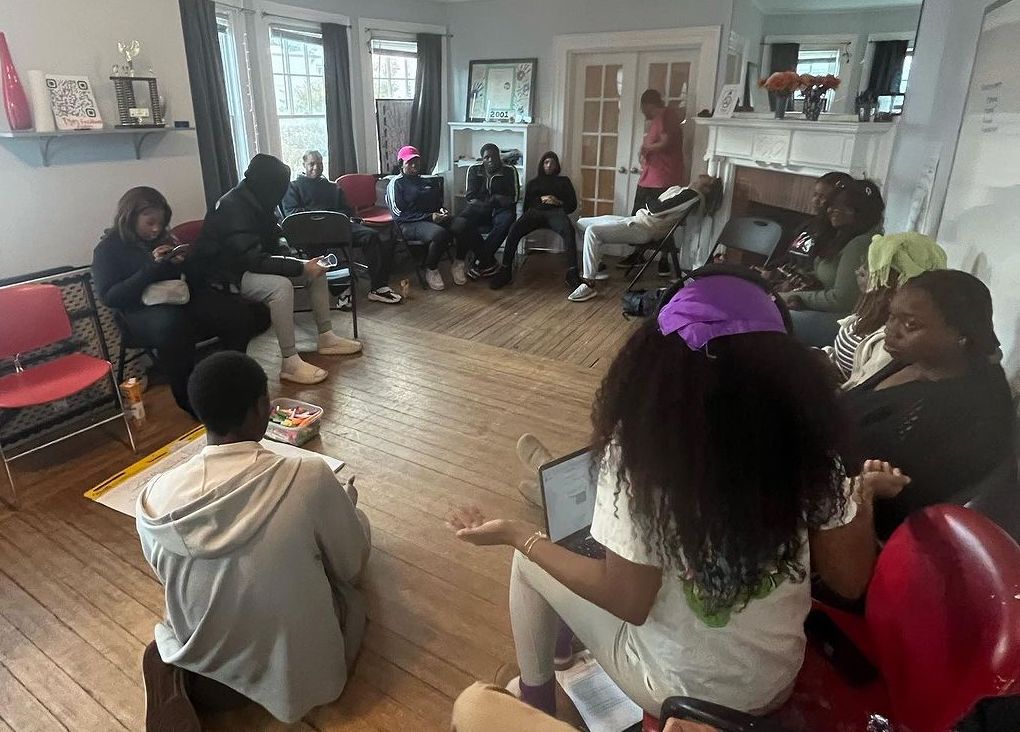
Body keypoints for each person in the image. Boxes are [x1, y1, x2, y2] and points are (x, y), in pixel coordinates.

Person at [448, 269, 903, 719]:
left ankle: (537, 703)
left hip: (680, 691)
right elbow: (850, 580)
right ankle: (564, 651)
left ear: (655, 362)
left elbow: (628, 601)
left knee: (530, 558)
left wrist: (518, 535)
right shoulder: (809, 439)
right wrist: (858, 498)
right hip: (773, 679)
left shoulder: (642, 453)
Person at [137, 351, 371, 728]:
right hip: (297, 678)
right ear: (262, 407)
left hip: (211, 672)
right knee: (354, 527)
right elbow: (350, 565)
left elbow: (166, 577)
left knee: (184, 612)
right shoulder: (307, 475)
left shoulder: (153, 496)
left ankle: (180, 670)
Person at [841, 269, 1015, 540]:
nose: (891, 330)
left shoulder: (965, 411)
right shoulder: (918, 359)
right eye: (891, 316)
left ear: (961, 335)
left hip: (861, 527)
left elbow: (902, 504)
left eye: (910, 325)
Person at [91, 187, 269, 417]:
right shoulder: (108, 249)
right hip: (137, 311)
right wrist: (153, 268)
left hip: (177, 299)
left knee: (236, 313)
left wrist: (184, 262)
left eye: (161, 223)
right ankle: (190, 400)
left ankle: (231, 378)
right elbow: (111, 296)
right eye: (149, 223)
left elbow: (192, 281)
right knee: (173, 325)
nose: (156, 229)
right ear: (130, 217)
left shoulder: (166, 237)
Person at [190, 153, 362, 386]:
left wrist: (294, 257)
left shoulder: (257, 199)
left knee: (317, 267)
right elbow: (253, 260)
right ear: (268, 184)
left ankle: (326, 338)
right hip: (227, 276)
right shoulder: (232, 207)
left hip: (250, 265)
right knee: (280, 287)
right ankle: (290, 361)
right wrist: (295, 266)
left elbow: (275, 237)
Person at [568, 175, 722, 302]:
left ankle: (589, 282)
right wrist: (651, 202)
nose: (703, 175)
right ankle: (597, 265)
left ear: (706, 188)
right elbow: (655, 205)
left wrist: (650, 201)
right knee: (581, 223)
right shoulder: (682, 190)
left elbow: (655, 209)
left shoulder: (692, 195)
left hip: (644, 229)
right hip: (636, 219)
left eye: (707, 178)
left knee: (593, 231)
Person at [825, 232, 947, 389]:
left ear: (890, 282)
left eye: (870, 269)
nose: (858, 271)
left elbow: (862, 392)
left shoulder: (891, 341)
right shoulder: (870, 309)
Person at [281, 150, 401, 304]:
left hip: (337, 226)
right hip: (311, 232)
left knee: (371, 236)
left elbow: (346, 210)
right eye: (311, 164)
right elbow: (292, 214)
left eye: (319, 163)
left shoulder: (332, 187)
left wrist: (334, 218)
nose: (316, 168)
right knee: (328, 248)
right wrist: (323, 216)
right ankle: (342, 289)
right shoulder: (293, 187)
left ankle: (378, 286)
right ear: (304, 164)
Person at [779, 179, 885, 347]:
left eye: (846, 207)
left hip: (844, 322)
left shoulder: (861, 244)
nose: (834, 211)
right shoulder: (840, 236)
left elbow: (842, 299)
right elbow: (829, 275)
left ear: (863, 212)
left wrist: (796, 296)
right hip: (826, 311)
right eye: (832, 205)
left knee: (772, 317)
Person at [617, 89, 685, 276]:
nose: (642, 111)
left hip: (662, 179)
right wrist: (645, 150)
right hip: (651, 177)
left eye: (642, 107)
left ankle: (663, 259)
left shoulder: (667, 115)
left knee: (660, 220)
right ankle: (638, 254)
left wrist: (646, 147)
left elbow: (666, 142)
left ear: (647, 104)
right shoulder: (658, 120)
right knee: (640, 219)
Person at [490, 151, 579, 290]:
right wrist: (540, 200)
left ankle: (573, 273)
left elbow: (572, 205)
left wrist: (558, 201)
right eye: (546, 162)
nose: (549, 165)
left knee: (569, 230)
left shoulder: (564, 181)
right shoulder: (533, 183)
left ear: (557, 166)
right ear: (541, 164)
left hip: (556, 213)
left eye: (553, 163)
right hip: (535, 213)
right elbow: (527, 205)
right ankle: (505, 270)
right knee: (514, 229)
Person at [387, 145, 468, 291]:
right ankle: (431, 269)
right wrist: (429, 216)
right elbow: (398, 213)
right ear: (401, 164)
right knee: (440, 234)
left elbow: (436, 203)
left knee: (462, 224)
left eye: (416, 162)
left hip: (430, 219)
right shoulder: (396, 183)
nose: (414, 165)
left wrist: (441, 210)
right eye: (409, 162)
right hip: (408, 224)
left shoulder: (424, 181)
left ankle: (459, 263)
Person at [451, 143, 521, 280]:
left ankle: (478, 261)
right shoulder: (474, 170)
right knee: (460, 223)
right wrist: (487, 203)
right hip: (479, 209)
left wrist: (496, 199)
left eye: (494, 156)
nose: (491, 160)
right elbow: (470, 197)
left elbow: (514, 198)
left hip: (501, 210)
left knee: (507, 219)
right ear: (482, 159)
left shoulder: (509, 170)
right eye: (487, 157)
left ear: (499, 157)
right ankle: (486, 261)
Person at [784, 171, 855, 264]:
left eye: (822, 197)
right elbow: (788, 256)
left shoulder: (837, 235)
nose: (815, 200)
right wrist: (772, 269)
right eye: (815, 194)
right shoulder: (808, 225)